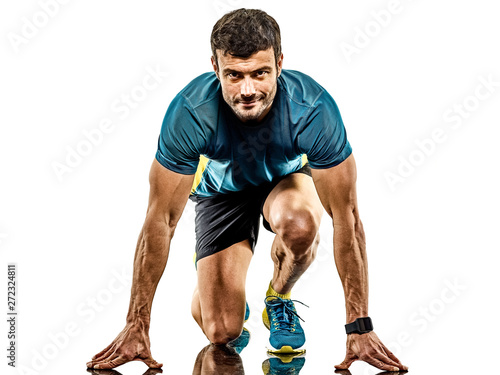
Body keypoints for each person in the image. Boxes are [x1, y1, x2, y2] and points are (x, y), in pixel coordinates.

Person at [87, 8, 407, 372]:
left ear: (280, 63)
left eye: (260, 73)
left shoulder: (313, 109)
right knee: (222, 330)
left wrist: (359, 327)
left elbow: (347, 218)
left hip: (285, 180)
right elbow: (160, 220)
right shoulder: (190, 113)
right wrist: (136, 325)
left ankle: (279, 297)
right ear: (215, 67)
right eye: (234, 76)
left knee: (301, 223)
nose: (248, 90)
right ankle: (216, 292)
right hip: (221, 193)